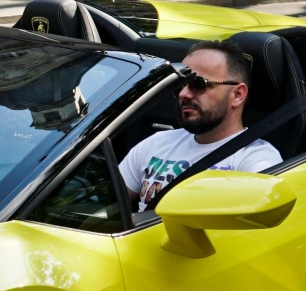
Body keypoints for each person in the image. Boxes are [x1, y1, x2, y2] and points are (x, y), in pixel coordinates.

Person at [119, 42, 284, 211]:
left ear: (237, 95)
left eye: (198, 84)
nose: (183, 94)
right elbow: (105, 202)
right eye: (180, 85)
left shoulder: (256, 159)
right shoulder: (155, 144)